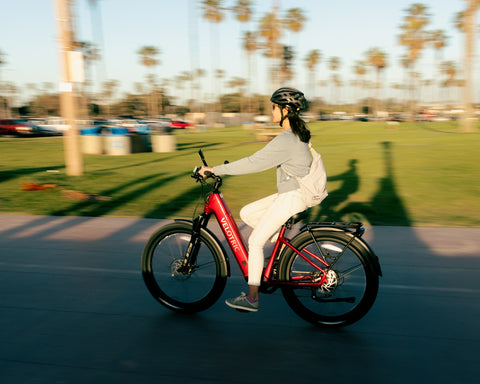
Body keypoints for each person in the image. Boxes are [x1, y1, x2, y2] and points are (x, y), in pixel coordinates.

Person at [199, 87, 312, 312]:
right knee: (248, 213)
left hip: (293, 196)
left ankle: (252, 298)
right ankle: (275, 255)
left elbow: (254, 163)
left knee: (255, 242)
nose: (271, 112)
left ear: (286, 110)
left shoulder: (287, 139)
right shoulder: (295, 135)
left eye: (274, 107)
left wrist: (216, 169)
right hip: (291, 193)